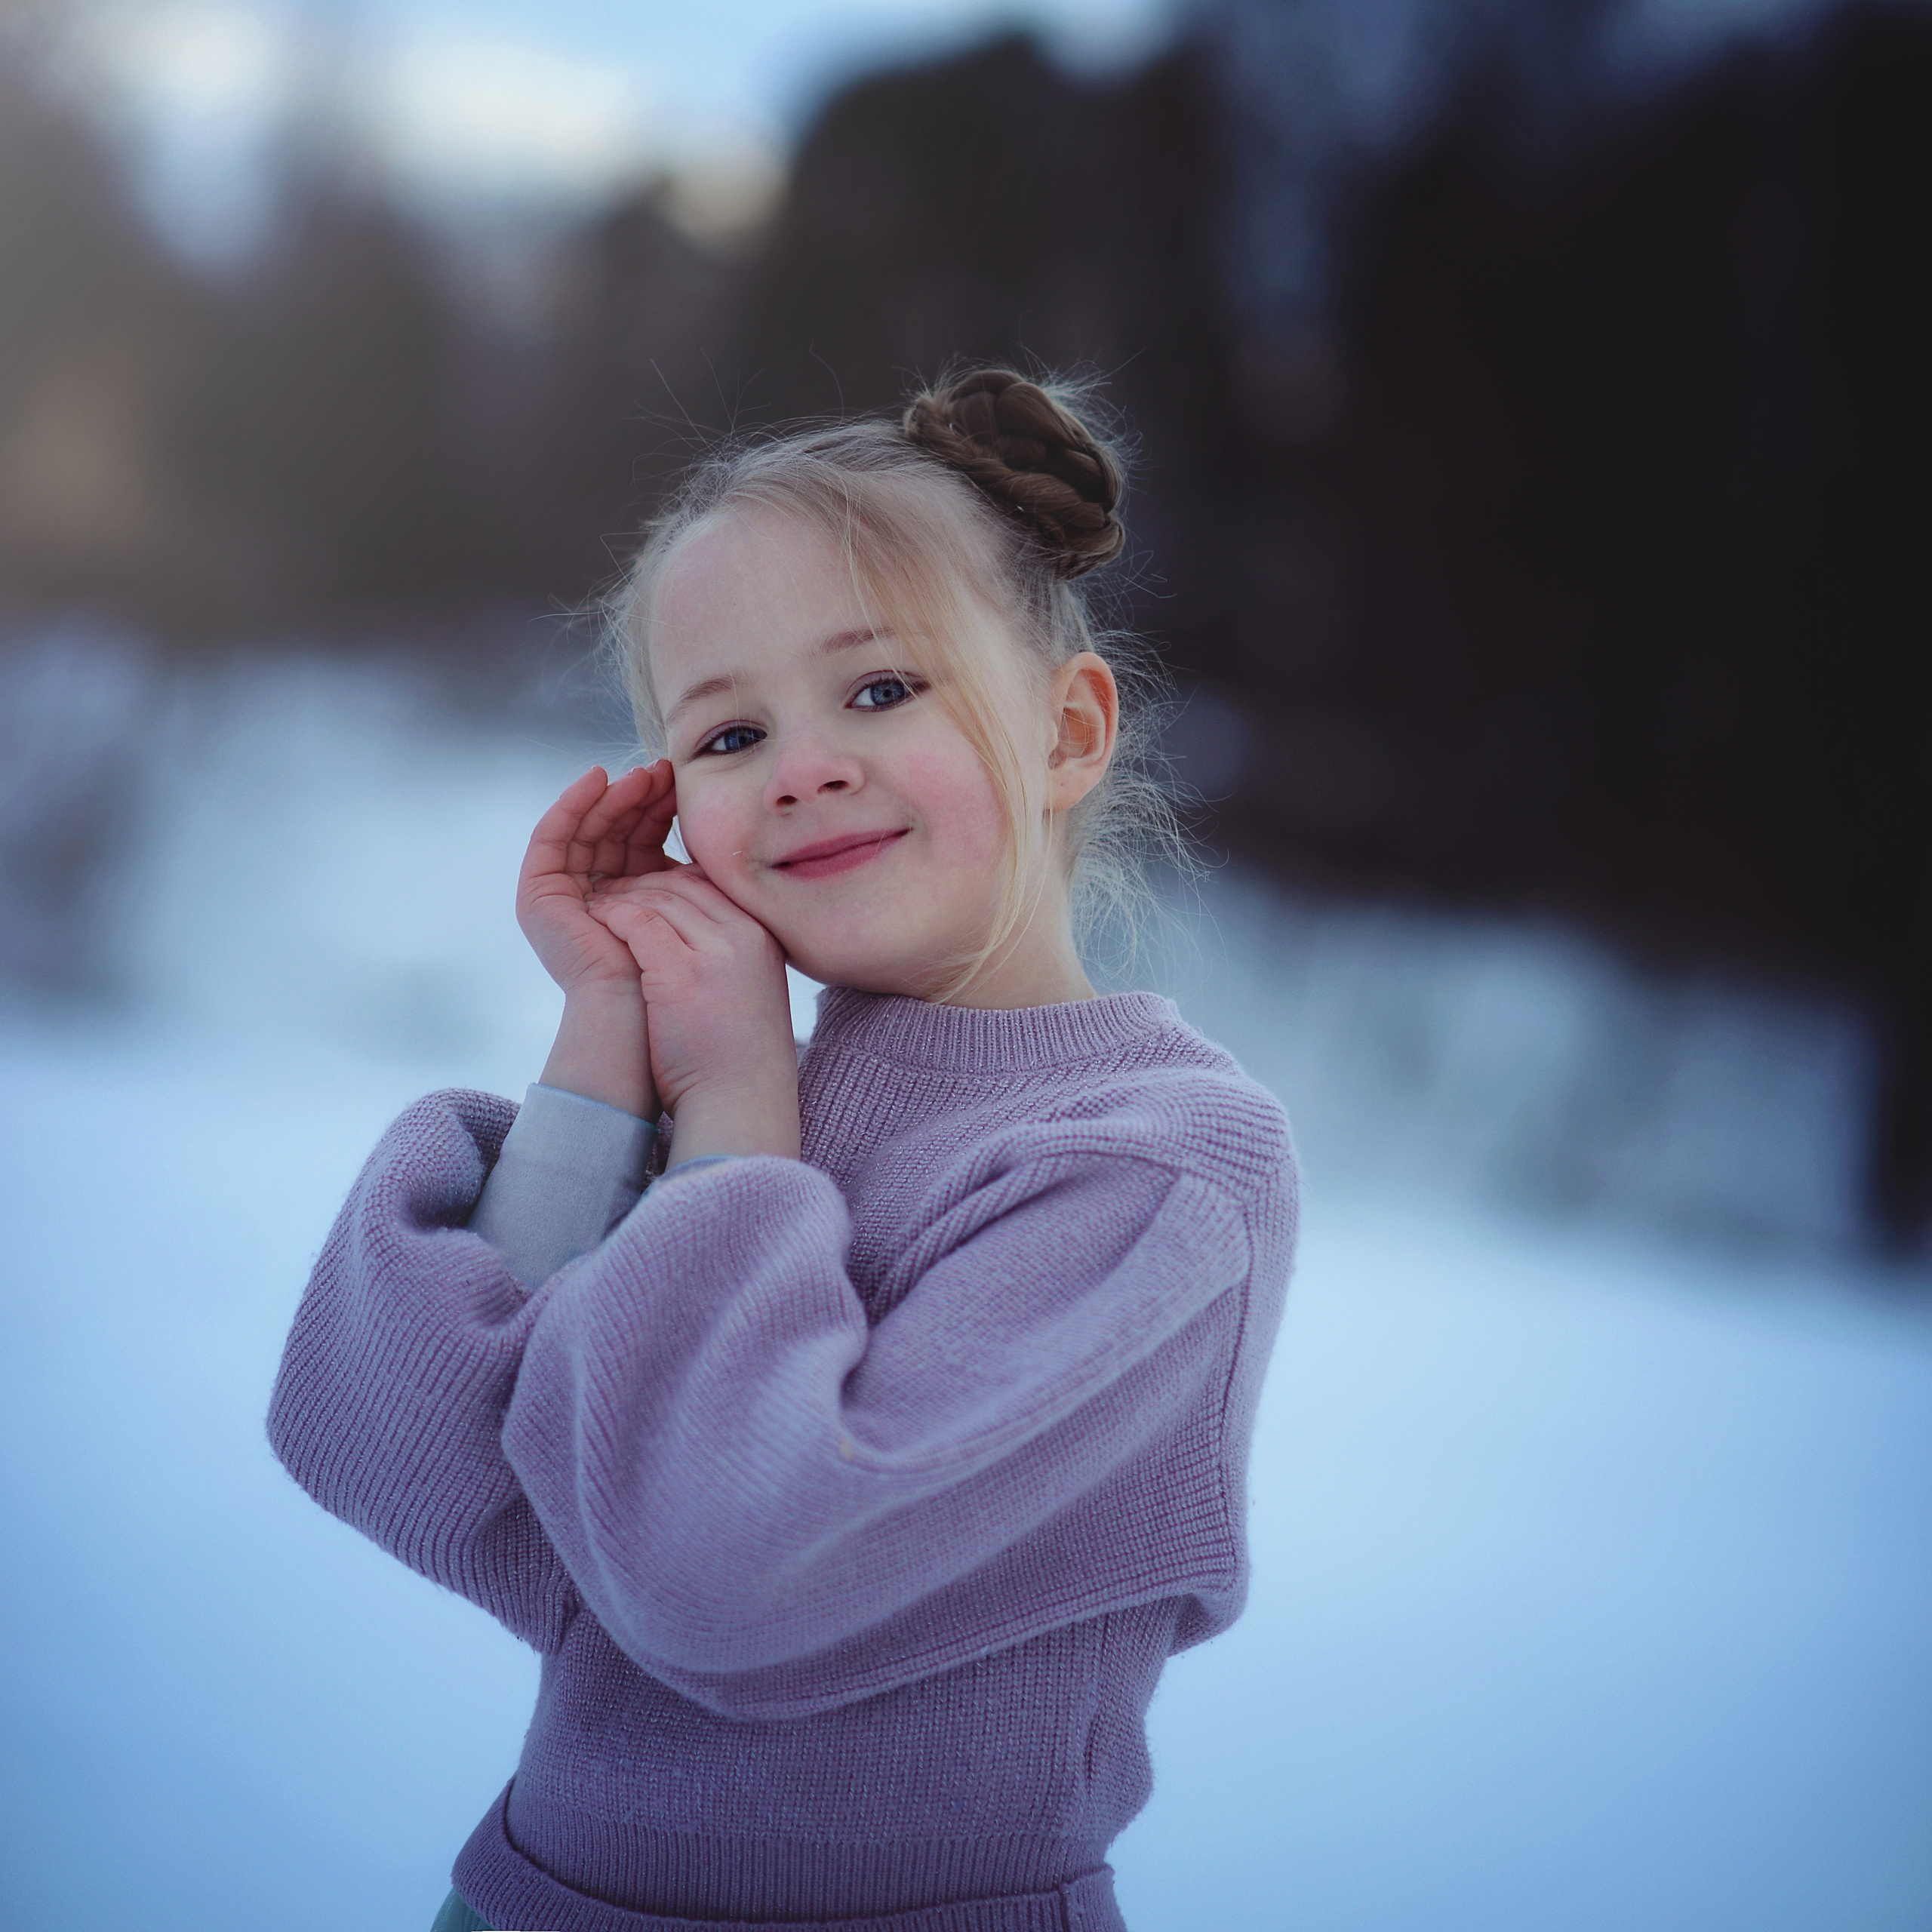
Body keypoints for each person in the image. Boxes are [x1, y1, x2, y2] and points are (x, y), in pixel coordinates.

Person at [268, 368, 1298, 1932]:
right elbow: (418, 1457)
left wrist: (739, 1113)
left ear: (1065, 728)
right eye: (731, 729)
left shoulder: (1157, 1168)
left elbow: (735, 1572)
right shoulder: (741, 1110)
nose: (801, 762)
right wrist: (611, 1030)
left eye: (879, 689)